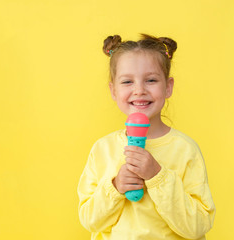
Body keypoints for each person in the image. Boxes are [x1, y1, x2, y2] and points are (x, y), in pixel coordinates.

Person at [77, 34, 215, 240]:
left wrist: (158, 177)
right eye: (127, 81)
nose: (139, 90)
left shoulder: (185, 149)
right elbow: (89, 220)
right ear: (113, 90)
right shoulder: (102, 149)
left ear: (168, 87)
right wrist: (115, 187)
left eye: (151, 80)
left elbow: (198, 226)